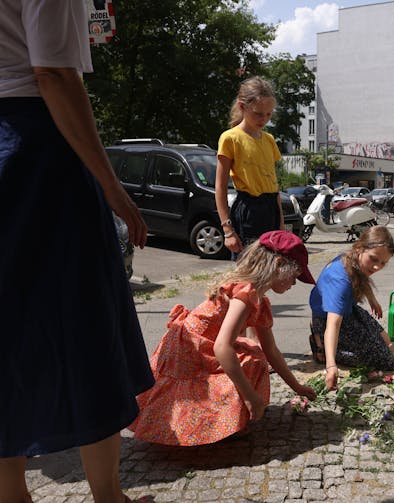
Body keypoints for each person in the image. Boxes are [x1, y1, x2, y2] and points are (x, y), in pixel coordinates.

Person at [0, 3, 153, 502]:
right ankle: (108, 496)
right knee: (83, 324)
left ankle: (12, 497)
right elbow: (54, 74)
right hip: (34, 148)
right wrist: (114, 189)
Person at [129, 231, 317, 445]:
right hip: (189, 348)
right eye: (295, 274)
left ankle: (232, 418)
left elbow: (271, 350)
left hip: (206, 345)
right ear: (279, 263)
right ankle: (223, 420)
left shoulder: (259, 300)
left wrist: (297, 387)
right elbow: (222, 348)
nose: (295, 282)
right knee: (249, 359)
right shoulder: (245, 294)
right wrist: (249, 395)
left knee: (255, 355)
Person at [309, 226, 394, 390]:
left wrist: (372, 299)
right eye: (374, 259)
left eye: (383, 263)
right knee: (385, 360)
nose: (377, 267)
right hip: (326, 320)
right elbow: (333, 325)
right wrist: (331, 366)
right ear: (360, 248)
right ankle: (320, 346)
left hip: (348, 310)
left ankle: (328, 344)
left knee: (386, 341)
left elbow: (362, 279)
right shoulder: (340, 280)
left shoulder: (353, 259)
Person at [215, 76, 284, 257]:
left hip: (271, 211)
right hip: (248, 212)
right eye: (258, 113)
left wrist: (281, 226)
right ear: (242, 107)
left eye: (268, 114)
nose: (264, 119)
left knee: (268, 273)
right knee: (248, 276)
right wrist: (228, 230)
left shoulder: (269, 140)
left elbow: (273, 186)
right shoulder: (231, 138)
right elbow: (220, 187)